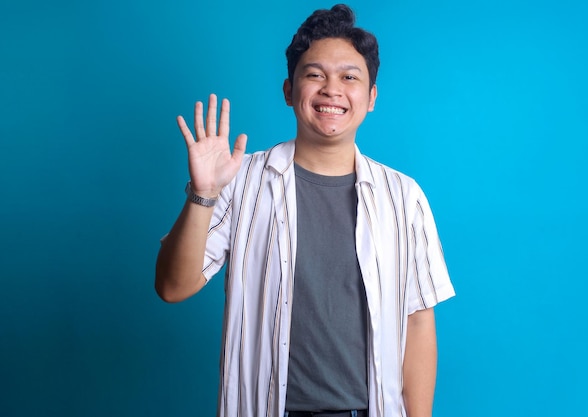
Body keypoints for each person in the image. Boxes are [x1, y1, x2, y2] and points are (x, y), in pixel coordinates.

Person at [155, 4, 455, 417]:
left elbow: (419, 322)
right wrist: (203, 193)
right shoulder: (241, 182)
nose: (332, 89)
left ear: (371, 98)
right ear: (289, 90)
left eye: (350, 77)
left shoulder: (404, 197)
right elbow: (173, 287)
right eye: (315, 75)